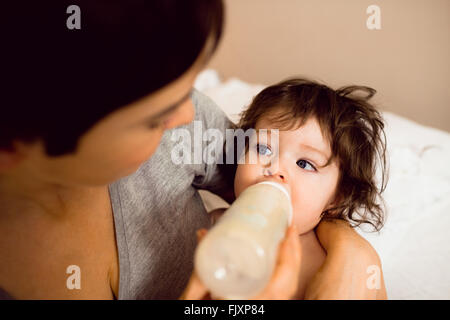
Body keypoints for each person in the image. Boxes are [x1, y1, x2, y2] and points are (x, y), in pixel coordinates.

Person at [0, 1, 384, 299]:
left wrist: (352, 254)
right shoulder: (220, 232)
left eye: (189, 88)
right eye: (154, 117)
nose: (189, 117)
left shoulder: (193, 130)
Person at [184, 79, 388, 299]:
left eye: (304, 164)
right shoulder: (214, 226)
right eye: (263, 148)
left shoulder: (334, 261)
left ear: (336, 198)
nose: (275, 168)